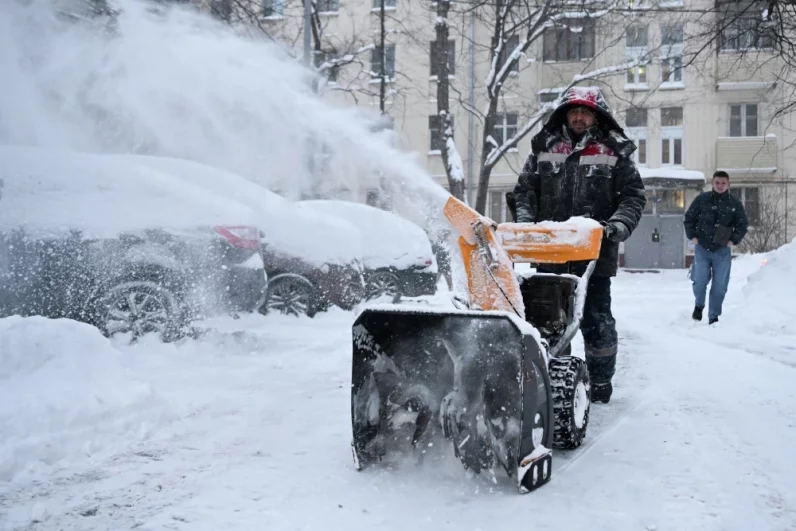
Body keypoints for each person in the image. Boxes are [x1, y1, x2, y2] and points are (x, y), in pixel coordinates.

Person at [510, 86, 646, 404]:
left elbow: (633, 196)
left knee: (596, 319)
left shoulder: (614, 149)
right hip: (550, 252)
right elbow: (525, 190)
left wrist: (618, 225)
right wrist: (527, 222)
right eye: (574, 112)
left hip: (594, 254)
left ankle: (600, 381)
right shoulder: (546, 148)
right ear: (565, 115)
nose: (580, 117)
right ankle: (554, 375)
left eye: (585, 112)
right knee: (549, 319)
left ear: (596, 116)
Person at [683, 170, 748, 325]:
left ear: (728, 184)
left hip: (722, 250)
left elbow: (742, 224)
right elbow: (689, 219)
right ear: (712, 183)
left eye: (723, 183)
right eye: (717, 182)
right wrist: (692, 236)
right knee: (699, 281)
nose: (720, 186)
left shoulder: (734, 203)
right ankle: (699, 305)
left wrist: (733, 240)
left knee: (719, 285)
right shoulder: (702, 200)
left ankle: (714, 316)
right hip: (702, 248)